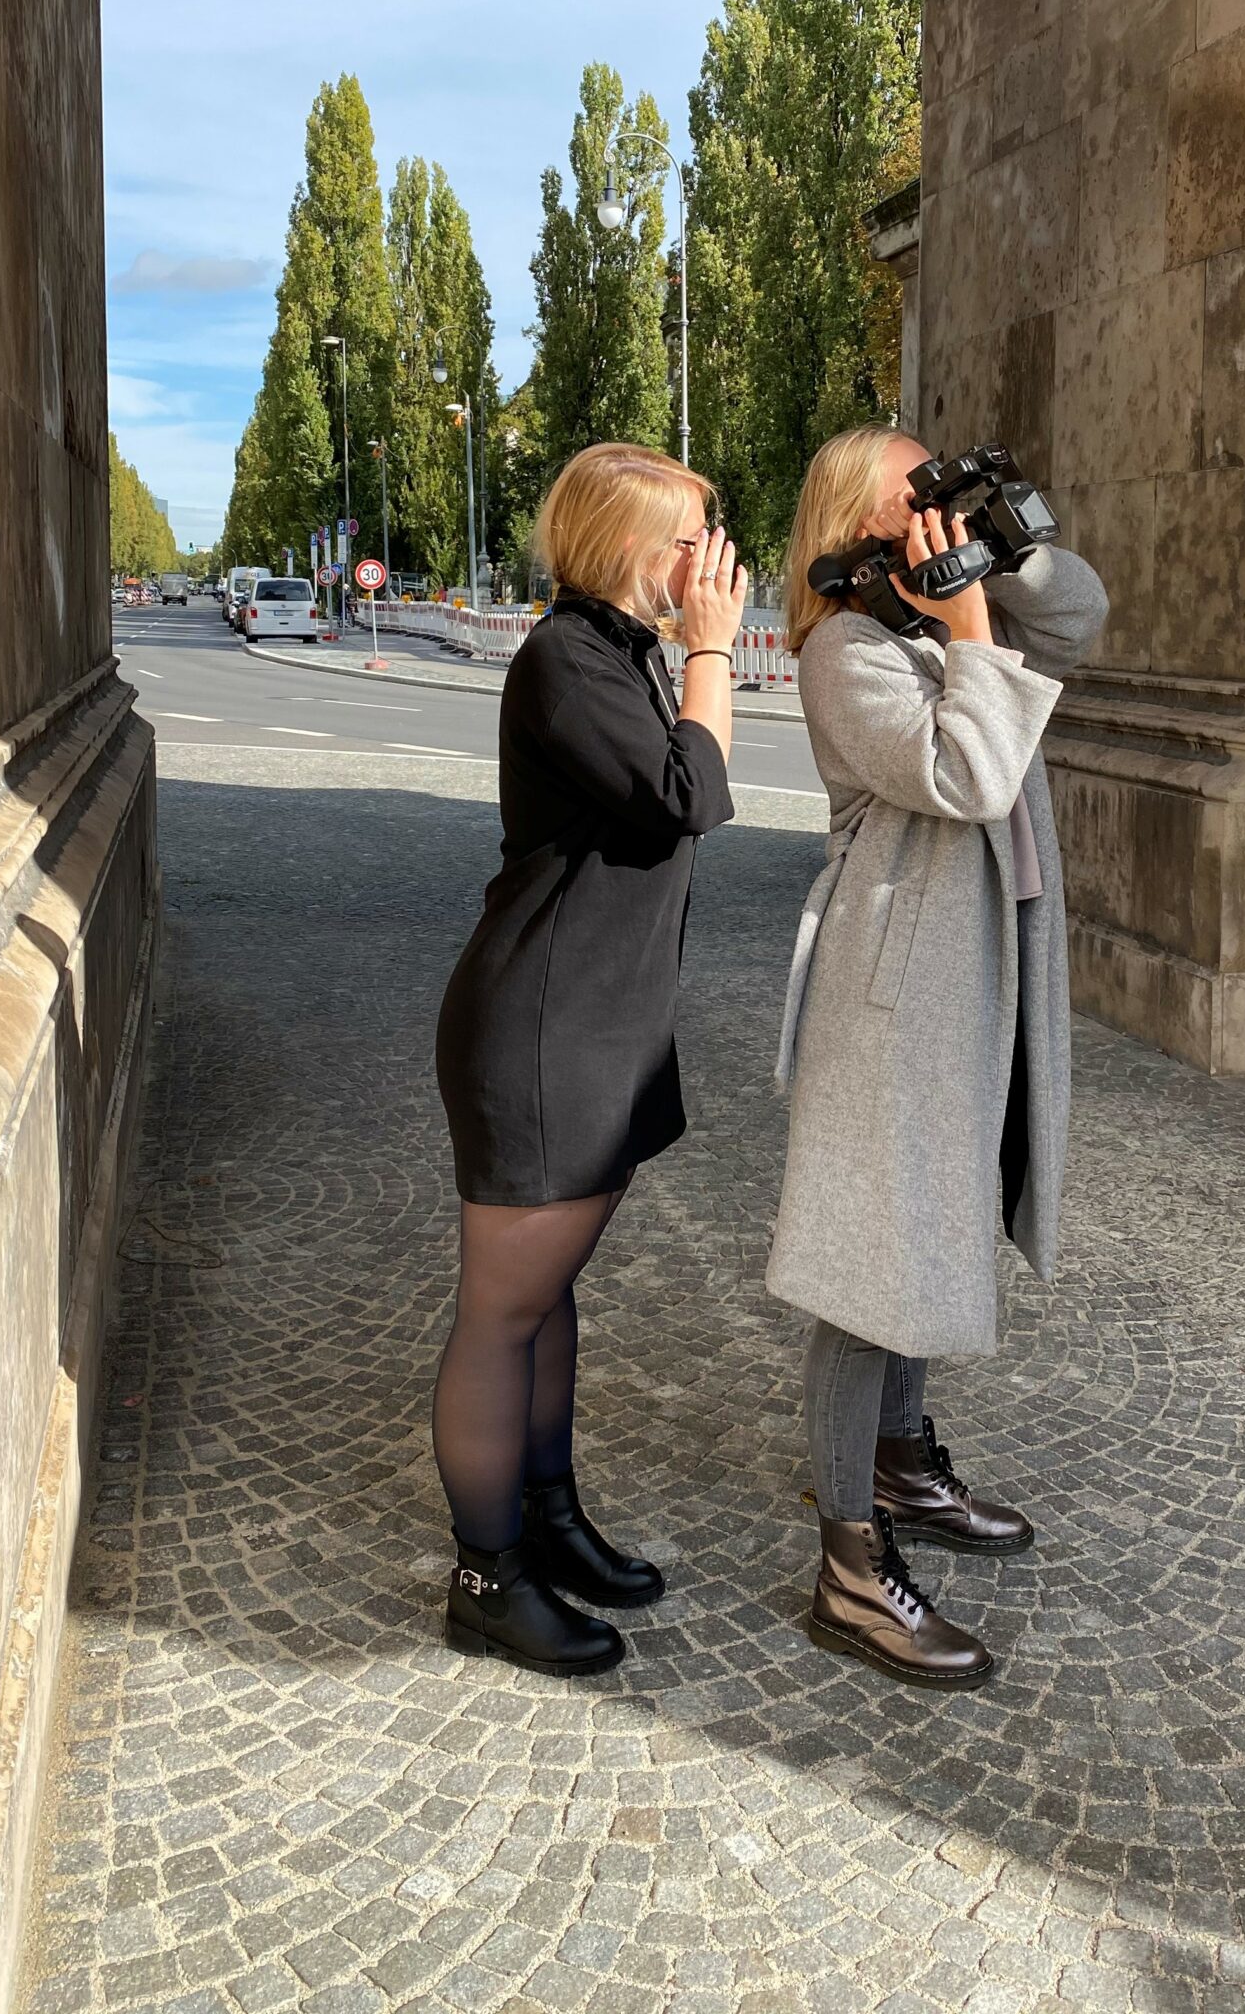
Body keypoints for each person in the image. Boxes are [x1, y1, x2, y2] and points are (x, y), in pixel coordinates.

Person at [769, 424, 1108, 1684]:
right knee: (871, 1267)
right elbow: (969, 771)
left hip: (973, 975)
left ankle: (901, 1464)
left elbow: (1079, 621)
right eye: (914, 498)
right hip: (895, 993)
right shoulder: (846, 649)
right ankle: (850, 1572)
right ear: (858, 521)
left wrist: (1000, 557)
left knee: (930, 1223)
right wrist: (967, 627)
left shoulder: (934, 616)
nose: (936, 515)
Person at [433, 443, 750, 1676]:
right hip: (544, 1033)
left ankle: (549, 1519)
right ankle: (485, 1570)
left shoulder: (617, 651)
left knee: (545, 1298)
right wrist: (718, 647)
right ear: (628, 545)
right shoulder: (566, 657)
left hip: (595, 1025)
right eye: (688, 539)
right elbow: (691, 792)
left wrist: (693, 647)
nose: (708, 563)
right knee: (502, 1311)